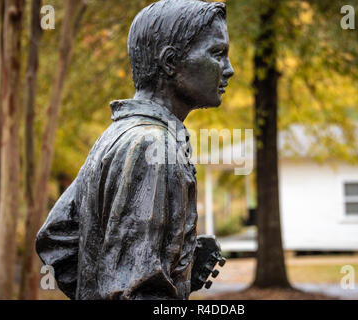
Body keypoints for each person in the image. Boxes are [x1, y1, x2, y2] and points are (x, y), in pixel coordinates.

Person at [36, 0, 234, 300]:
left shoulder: (117, 134)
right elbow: (138, 292)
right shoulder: (154, 146)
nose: (229, 70)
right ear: (170, 62)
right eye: (217, 54)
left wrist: (177, 267)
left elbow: (58, 240)